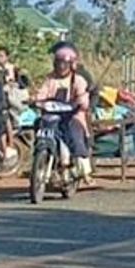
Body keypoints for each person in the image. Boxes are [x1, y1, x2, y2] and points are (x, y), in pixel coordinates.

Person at [35, 44, 93, 182]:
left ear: (71, 65)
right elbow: (41, 93)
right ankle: (40, 153)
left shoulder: (78, 80)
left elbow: (83, 98)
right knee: (39, 123)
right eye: (58, 63)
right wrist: (35, 100)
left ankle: (83, 169)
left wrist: (80, 101)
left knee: (74, 133)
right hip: (53, 115)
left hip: (73, 116)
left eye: (64, 64)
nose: (61, 67)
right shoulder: (50, 79)